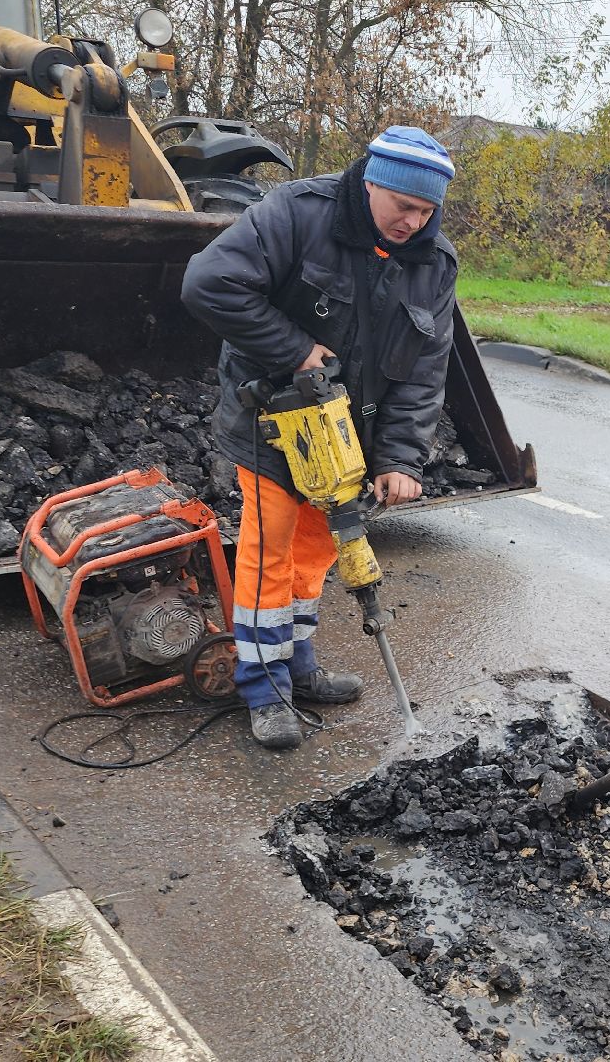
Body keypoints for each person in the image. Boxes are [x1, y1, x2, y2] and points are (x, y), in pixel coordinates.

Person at [181, 126, 459, 750]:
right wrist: (297, 351)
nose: (414, 222)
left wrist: (400, 459)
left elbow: (423, 373)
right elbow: (208, 283)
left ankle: (296, 661)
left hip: (345, 442)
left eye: (426, 211)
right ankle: (263, 686)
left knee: (313, 555)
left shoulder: (434, 265)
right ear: (372, 184)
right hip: (271, 424)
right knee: (269, 552)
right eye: (404, 207)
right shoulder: (297, 214)